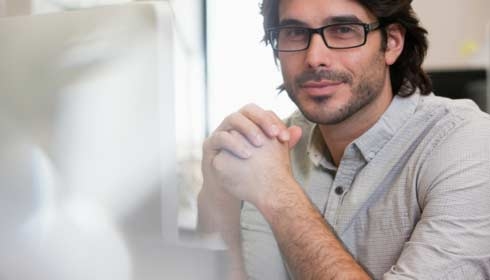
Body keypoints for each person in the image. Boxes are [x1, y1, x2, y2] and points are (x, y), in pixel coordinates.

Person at [198, 0, 490, 279]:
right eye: (295, 33)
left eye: (343, 30)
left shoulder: (468, 144)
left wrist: (279, 194)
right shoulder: (268, 149)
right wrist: (217, 198)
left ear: (392, 43)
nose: (314, 58)